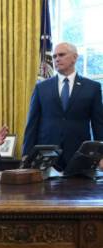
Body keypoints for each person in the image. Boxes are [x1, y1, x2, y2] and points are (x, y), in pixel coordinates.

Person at [22, 42, 103, 170]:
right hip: (46, 155)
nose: (57, 59)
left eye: (61, 55)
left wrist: (101, 155)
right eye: (54, 56)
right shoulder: (41, 88)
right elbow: (32, 123)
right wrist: (26, 154)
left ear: (75, 58)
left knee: (81, 190)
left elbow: (98, 124)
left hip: (79, 155)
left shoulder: (92, 87)